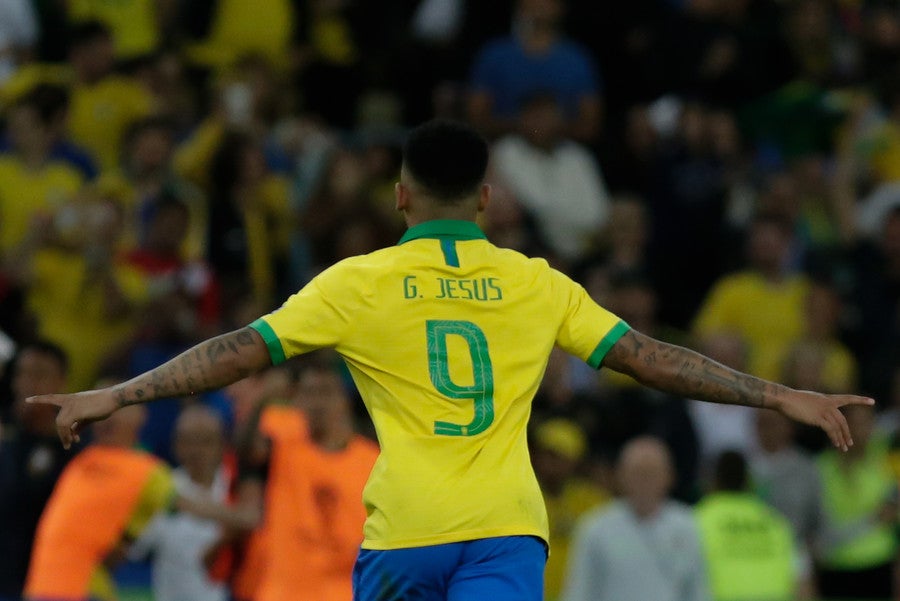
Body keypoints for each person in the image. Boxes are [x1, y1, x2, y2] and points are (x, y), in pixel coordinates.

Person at [31, 119, 873, 601]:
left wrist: (121, 390)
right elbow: (649, 357)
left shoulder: (358, 282)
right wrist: (777, 394)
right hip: (507, 532)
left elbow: (238, 350)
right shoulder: (534, 282)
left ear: (400, 196)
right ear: (484, 200)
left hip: (404, 533)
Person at [24, 402, 172, 601]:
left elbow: (186, 504)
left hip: (82, 590)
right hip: (42, 587)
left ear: (140, 416)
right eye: (98, 408)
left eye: (114, 409)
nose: (104, 418)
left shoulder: (149, 470)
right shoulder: (81, 461)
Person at [561, 436, 708, 601]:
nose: (644, 481)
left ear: (669, 476)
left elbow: (697, 590)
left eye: (652, 472)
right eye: (638, 472)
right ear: (620, 476)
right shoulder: (595, 527)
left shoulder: (688, 526)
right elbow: (580, 591)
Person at [128, 405, 234, 601]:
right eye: (189, 441)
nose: (197, 450)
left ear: (222, 444)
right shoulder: (160, 491)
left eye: (206, 441)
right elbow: (133, 548)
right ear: (176, 445)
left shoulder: (237, 492)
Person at [0, 341, 71, 600]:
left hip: (47, 584)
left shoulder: (72, 449)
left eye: (40, 374)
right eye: (22, 373)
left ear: (61, 382)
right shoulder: (4, 435)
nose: (29, 382)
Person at [695, 450, 799, 601]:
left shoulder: (696, 520)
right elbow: (802, 582)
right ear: (748, 482)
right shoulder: (776, 522)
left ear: (712, 481)